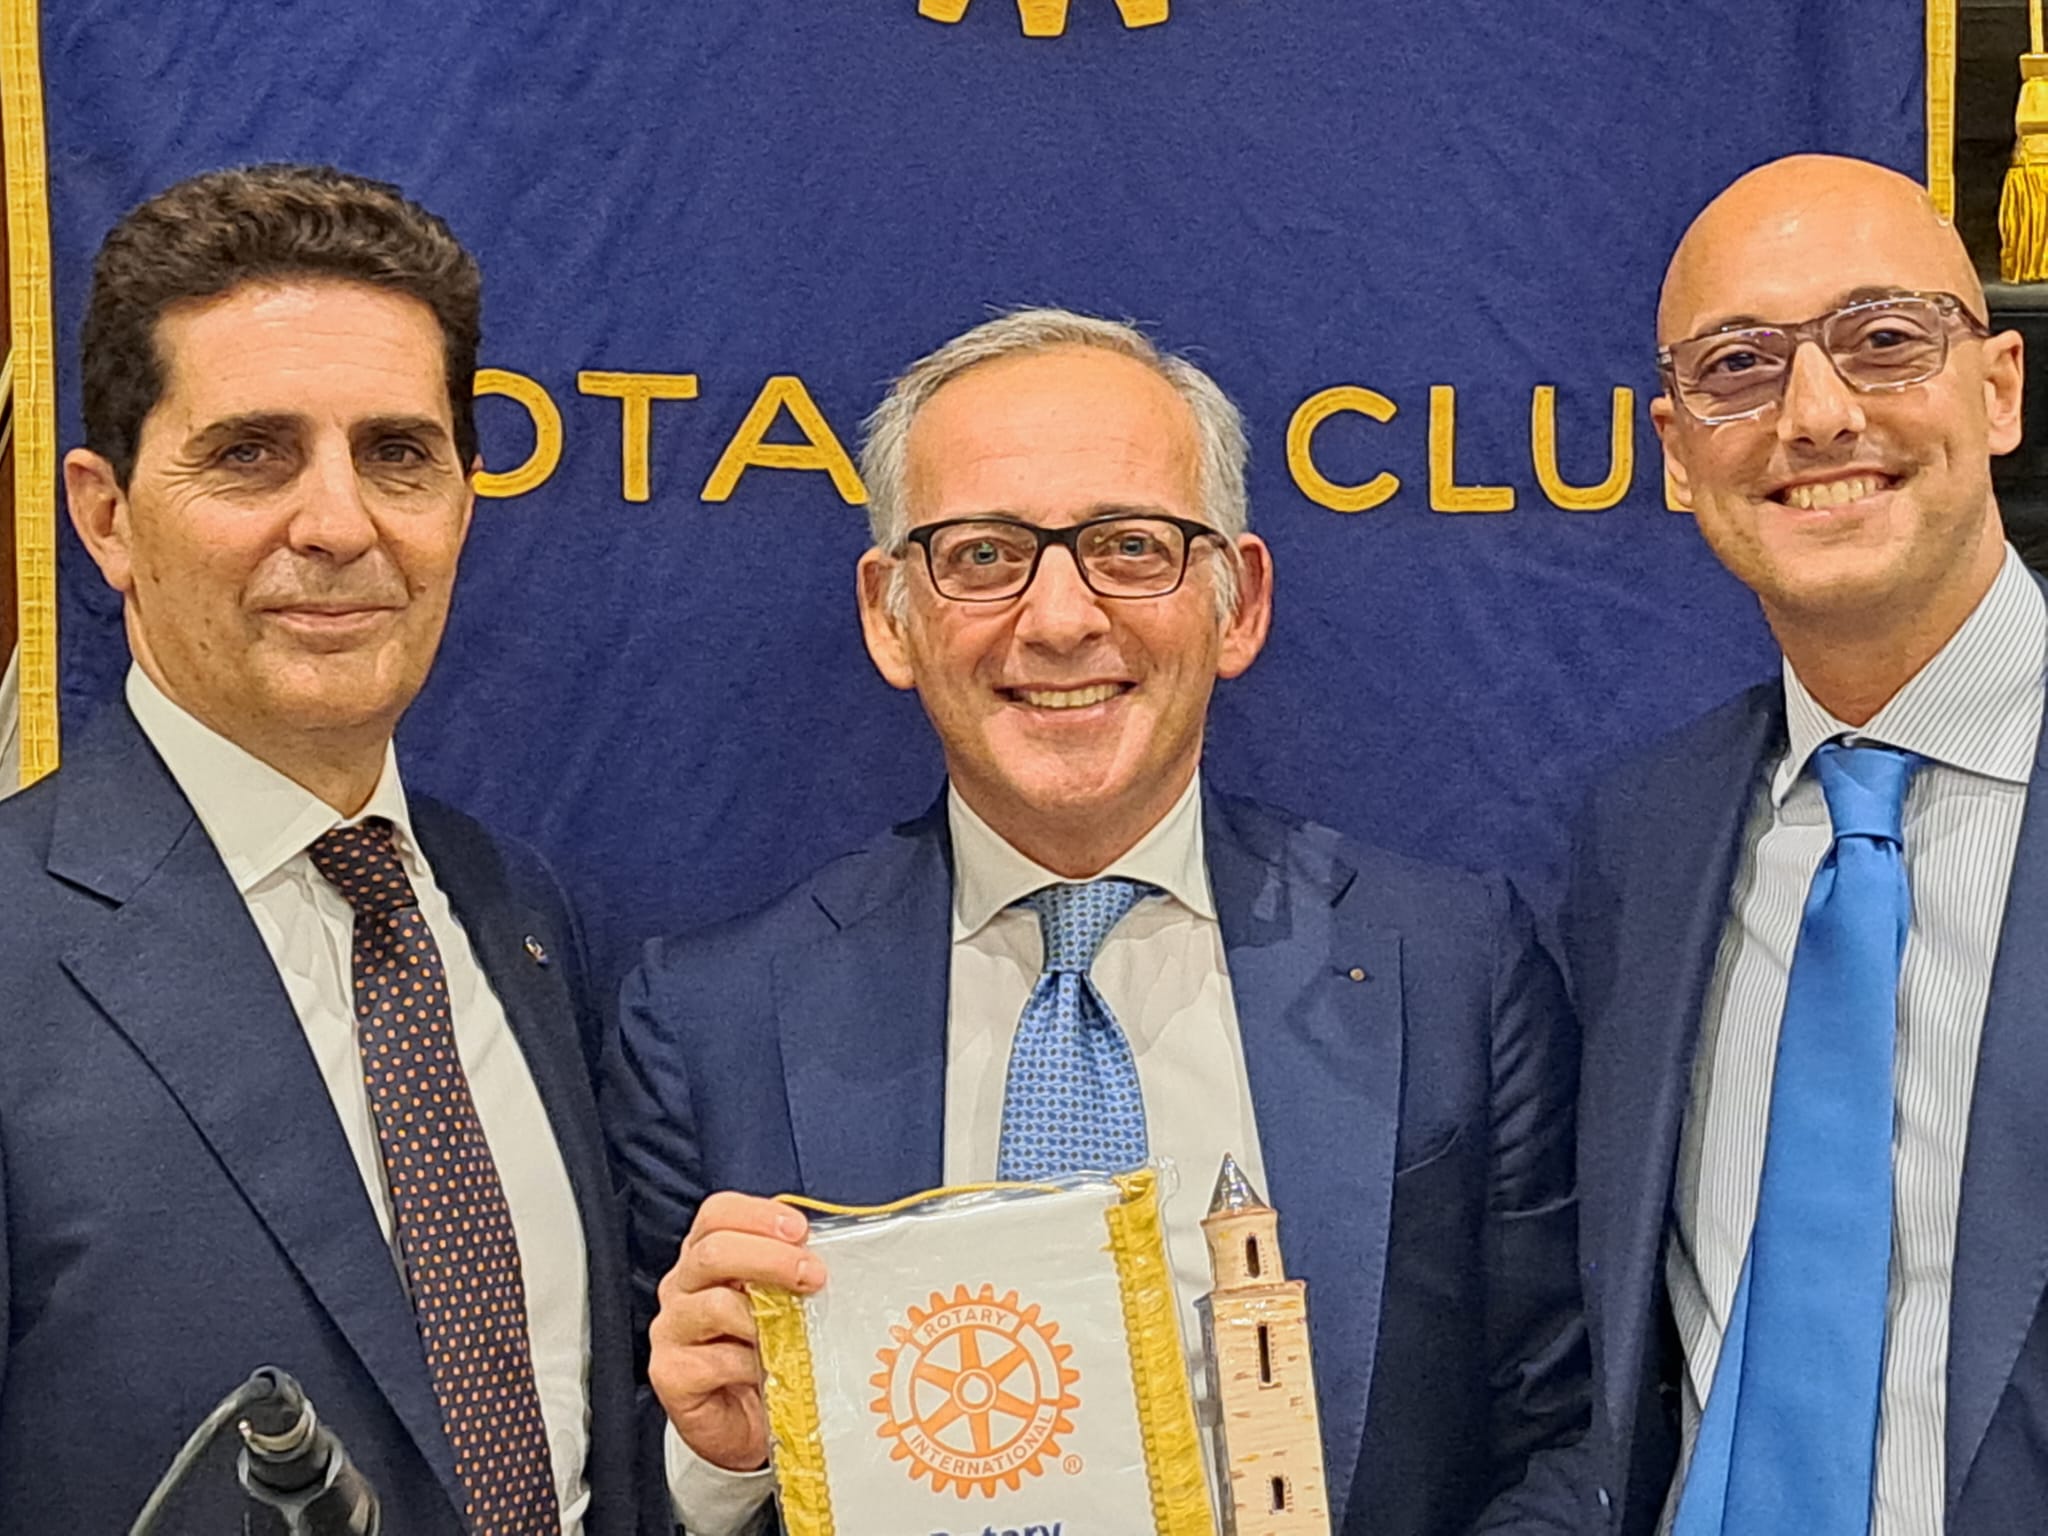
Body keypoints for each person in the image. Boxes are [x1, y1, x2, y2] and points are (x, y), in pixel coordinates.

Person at [605, 308, 1588, 1536]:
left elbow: (1566, 1443)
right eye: (982, 555)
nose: (1061, 619)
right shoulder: (709, 1025)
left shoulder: (1451, 968)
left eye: (1129, 548)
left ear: (1237, 603)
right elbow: (627, 1486)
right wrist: (718, 1469)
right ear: (889, 613)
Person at [0, 165, 654, 1535]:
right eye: (252, 454)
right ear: (106, 516)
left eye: (398, 455)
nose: (340, 524)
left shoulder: (517, 912)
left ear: (461, 502)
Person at [1561, 153, 2046, 1535]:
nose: (1817, 414)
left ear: (1997, 388)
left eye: (1883, 341)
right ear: (1676, 450)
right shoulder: (1643, 839)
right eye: (1739, 368)